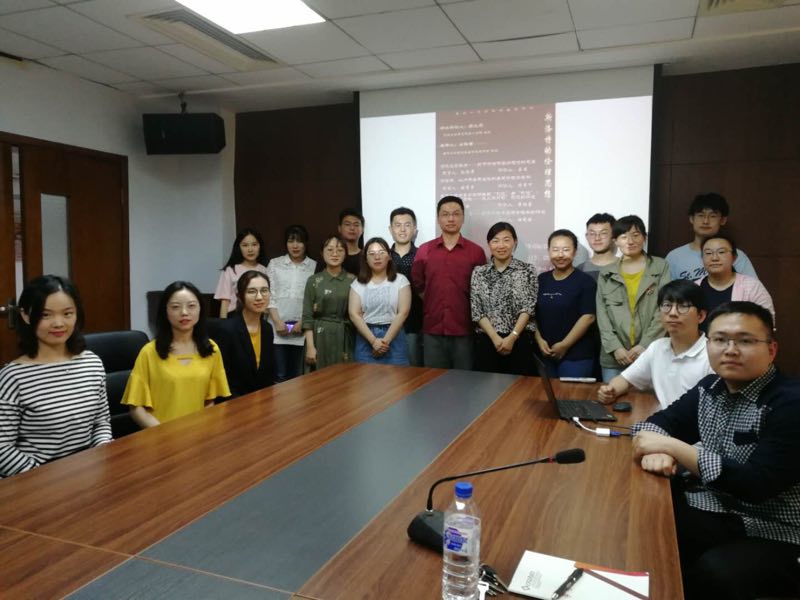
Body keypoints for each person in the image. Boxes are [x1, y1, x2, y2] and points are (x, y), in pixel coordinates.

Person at [632, 302, 800, 600]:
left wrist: (671, 447)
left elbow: (756, 484)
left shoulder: (789, 402)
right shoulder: (710, 387)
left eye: (745, 341)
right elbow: (657, 424)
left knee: (715, 572)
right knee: (649, 522)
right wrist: (660, 449)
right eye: (720, 339)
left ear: (771, 349)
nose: (730, 350)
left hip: (778, 526)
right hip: (718, 505)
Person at [0, 275, 111, 478]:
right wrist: (46, 478)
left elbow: (101, 422)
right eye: (45, 315)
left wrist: (102, 456)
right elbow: (2, 448)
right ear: (26, 315)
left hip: (88, 473)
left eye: (68, 313)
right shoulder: (13, 377)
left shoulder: (92, 363)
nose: (59, 323)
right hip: (36, 479)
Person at [123, 281, 230, 428]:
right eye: (175, 307)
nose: (184, 312)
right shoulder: (149, 352)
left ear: (200, 309)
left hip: (199, 433)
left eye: (191, 306)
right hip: (159, 434)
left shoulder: (211, 349)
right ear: (165, 311)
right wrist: (165, 434)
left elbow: (210, 401)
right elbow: (136, 409)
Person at [598, 279, 712, 409]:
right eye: (667, 305)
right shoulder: (657, 347)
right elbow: (625, 379)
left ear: (700, 316)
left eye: (683, 306)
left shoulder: (712, 354)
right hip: (662, 419)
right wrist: (610, 391)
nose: (672, 313)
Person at [412, 196, 486, 370]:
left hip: (464, 329)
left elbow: (482, 290)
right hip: (433, 328)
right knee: (433, 379)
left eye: (456, 214)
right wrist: (434, 300)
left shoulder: (476, 252)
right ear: (438, 219)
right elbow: (418, 284)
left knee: (464, 380)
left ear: (463, 218)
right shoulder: (424, 250)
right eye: (445, 214)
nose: (451, 219)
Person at [596, 215, 672, 382]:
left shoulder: (660, 266)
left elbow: (665, 308)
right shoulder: (606, 273)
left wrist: (645, 344)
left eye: (635, 235)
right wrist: (615, 347)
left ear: (644, 237)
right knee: (611, 396)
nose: (630, 241)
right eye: (623, 236)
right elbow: (602, 315)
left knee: (649, 398)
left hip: (651, 351)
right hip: (614, 356)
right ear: (615, 241)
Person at [470, 222, 537, 375]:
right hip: (487, 341)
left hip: (519, 340)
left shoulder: (527, 270)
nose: (501, 245)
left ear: (515, 242)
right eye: (495, 240)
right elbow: (477, 310)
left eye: (506, 240)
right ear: (489, 244)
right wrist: (495, 338)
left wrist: (512, 337)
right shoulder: (479, 272)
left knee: (519, 387)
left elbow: (528, 308)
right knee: (486, 387)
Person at [534, 229, 597, 378]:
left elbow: (588, 317)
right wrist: (539, 340)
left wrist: (564, 345)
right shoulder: (541, 280)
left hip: (577, 355)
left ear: (574, 252)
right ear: (549, 251)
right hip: (545, 353)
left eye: (566, 250)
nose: (560, 255)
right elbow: (531, 314)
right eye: (555, 250)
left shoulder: (585, 281)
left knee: (570, 392)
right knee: (545, 393)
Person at [666, 193, 757, 281]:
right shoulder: (674, 257)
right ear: (691, 218)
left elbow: (753, 288)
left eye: (713, 216)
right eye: (701, 215)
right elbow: (667, 290)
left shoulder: (734, 255)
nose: (705, 221)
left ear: (723, 220)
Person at [349, 237, 411, 365]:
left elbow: (403, 312)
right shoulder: (358, 283)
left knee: (399, 377)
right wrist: (373, 341)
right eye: (372, 254)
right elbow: (354, 314)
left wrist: (384, 343)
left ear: (389, 256)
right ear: (365, 259)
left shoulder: (401, 280)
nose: (377, 257)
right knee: (365, 377)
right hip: (366, 337)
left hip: (394, 336)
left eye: (381, 252)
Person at [266, 225, 317, 382]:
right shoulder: (275, 264)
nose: (295, 245)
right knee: (279, 375)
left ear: (306, 243)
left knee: (299, 377)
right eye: (291, 241)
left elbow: (315, 300)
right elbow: (269, 294)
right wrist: (277, 322)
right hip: (276, 329)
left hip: (302, 330)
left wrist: (302, 322)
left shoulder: (314, 266)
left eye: (299, 241)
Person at [215, 271, 277, 397]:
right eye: (252, 291)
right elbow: (222, 378)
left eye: (264, 290)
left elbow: (267, 375)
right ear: (239, 296)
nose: (259, 297)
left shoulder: (267, 328)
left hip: (263, 400)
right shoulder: (228, 329)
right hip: (235, 402)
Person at [695, 234, 775, 326]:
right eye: (708, 253)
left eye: (721, 252)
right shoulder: (694, 288)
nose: (714, 258)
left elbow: (767, 323)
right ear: (702, 258)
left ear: (734, 257)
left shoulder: (752, 286)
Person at [302, 235, 356, 369]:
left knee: (344, 376)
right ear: (322, 253)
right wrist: (310, 346)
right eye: (330, 250)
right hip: (319, 337)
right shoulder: (313, 280)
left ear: (345, 254)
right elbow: (307, 316)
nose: (335, 254)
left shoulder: (352, 280)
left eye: (340, 250)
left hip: (344, 335)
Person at [389, 207, 424, 366]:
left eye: (407, 225)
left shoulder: (423, 255)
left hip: (415, 324)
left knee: (414, 370)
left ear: (414, 228)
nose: (402, 229)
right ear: (390, 229)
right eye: (398, 225)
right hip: (385, 324)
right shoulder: (383, 256)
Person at [214, 228, 269, 317]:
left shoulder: (265, 270)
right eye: (245, 245)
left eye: (254, 244)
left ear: (260, 246)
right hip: (235, 316)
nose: (250, 249)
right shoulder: (230, 270)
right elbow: (225, 301)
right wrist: (223, 323)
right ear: (239, 247)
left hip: (258, 316)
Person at [578, 213, 617, 281]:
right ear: (587, 236)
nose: (597, 238)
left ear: (614, 236)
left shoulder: (626, 267)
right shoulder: (579, 270)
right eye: (592, 234)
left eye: (603, 233)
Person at [338, 208, 364, 276]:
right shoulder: (331, 256)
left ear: (362, 229)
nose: (352, 228)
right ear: (339, 228)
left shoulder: (366, 257)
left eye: (356, 225)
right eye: (347, 224)